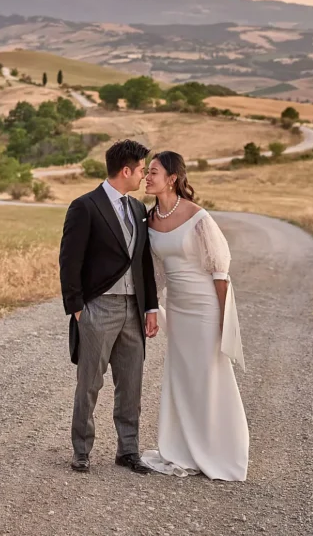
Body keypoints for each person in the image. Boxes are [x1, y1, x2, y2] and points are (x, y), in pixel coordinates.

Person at [141, 150, 249, 481]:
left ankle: (222, 452)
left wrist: (223, 317)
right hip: (177, 308)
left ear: (172, 179)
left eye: (154, 172)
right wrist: (151, 309)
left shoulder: (197, 216)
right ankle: (182, 449)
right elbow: (156, 273)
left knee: (209, 377)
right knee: (181, 377)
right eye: (147, 171)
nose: (147, 177)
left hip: (204, 306)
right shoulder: (150, 219)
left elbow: (219, 270)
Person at [59, 140, 160, 474]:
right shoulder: (85, 206)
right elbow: (69, 261)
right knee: (89, 384)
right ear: (126, 170)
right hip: (97, 308)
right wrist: (77, 309)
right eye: (141, 169)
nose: (144, 175)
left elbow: (143, 262)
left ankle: (128, 450)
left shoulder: (138, 209)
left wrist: (150, 307)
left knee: (131, 384)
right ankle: (81, 451)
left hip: (134, 309)